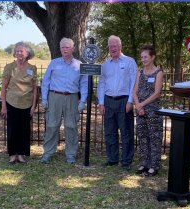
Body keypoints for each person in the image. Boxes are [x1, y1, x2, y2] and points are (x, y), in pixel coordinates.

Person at [40, 37, 88, 164]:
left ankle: (71, 154)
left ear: (73, 48)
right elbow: (45, 81)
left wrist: (83, 100)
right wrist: (44, 98)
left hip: (72, 97)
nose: (65, 49)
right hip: (54, 96)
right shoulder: (54, 63)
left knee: (71, 126)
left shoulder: (79, 65)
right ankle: (48, 153)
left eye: (67, 47)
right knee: (52, 125)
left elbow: (84, 84)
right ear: (60, 49)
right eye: (62, 47)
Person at [97, 35, 138, 171]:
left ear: (120, 47)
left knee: (126, 132)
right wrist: (101, 102)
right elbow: (102, 83)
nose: (113, 48)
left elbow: (134, 82)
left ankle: (126, 161)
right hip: (108, 101)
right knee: (110, 132)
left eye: (115, 46)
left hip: (124, 100)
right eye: (110, 46)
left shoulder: (129, 62)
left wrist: (130, 101)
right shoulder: (105, 65)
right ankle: (112, 159)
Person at [0, 41, 38, 164]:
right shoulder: (9, 67)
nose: (19, 53)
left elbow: (35, 89)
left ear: (27, 53)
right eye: (17, 51)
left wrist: (33, 106)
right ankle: (12, 154)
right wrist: (4, 106)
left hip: (27, 104)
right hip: (12, 103)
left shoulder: (32, 69)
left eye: (21, 51)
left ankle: (21, 154)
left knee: (24, 130)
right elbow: (3, 87)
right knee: (12, 130)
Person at [133, 45, 164, 176]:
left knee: (154, 138)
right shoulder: (140, 72)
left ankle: (154, 165)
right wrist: (138, 106)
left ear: (153, 57)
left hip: (153, 111)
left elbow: (157, 93)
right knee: (143, 137)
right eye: (142, 57)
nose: (143, 59)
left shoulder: (159, 72)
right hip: (140, 111)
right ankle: (144, 163)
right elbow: (134, 91)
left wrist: (142, 105)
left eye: (146, 57)